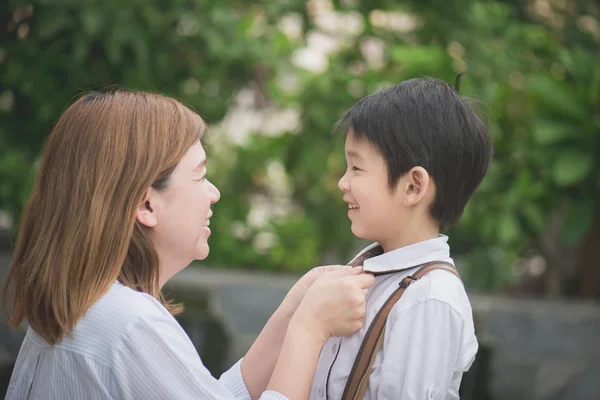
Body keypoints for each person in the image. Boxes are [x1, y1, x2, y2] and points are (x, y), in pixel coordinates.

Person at [1, 90, 376, 400]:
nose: (213, 194)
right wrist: (309, 330)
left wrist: (294, 309)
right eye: (200, 177)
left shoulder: (89, 311)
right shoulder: (130, 326)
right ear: (147, 204)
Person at [310, 78, 493, 399]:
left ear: (412, 187)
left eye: (356, 167)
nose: (343, 182)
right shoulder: (372, 274)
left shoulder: (429, 299)